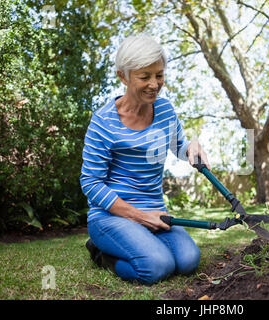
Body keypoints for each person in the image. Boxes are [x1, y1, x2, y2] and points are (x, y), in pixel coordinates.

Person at [80, 35, 210, 285]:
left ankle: (139, 242)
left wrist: (192, 147)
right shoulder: (103, 122)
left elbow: (179, 147)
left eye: (159, 75)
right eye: (145, 76)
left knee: (187, 261)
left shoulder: (165, 111)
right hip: (110, 216)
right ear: (123, 76)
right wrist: (138, 216)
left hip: (156, 212)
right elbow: (91, 184)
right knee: (156, 266)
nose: (155, 84)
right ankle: (100, 253)